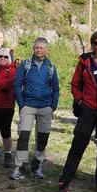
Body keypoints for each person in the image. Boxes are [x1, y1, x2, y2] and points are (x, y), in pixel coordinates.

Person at [59, 31, 97, 192]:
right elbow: (75, 84)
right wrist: (79, 101)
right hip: (88, 108)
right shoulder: (84, 61)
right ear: (92, 45)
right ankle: (64, 182)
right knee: (78, 145)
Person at [11, 37, 60, 180]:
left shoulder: (51, 67)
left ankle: (37, 166)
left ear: (46, 49)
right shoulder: (25, 65)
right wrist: (22, 104)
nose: (38, 50)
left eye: (41, 48)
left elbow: (56, 88)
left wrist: (53, 106)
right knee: (23, 137)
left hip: (45, 107)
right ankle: (19, 167)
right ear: (33, 48)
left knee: (43, 138)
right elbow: (17, 84)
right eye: (36, 47)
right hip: (28, 106)